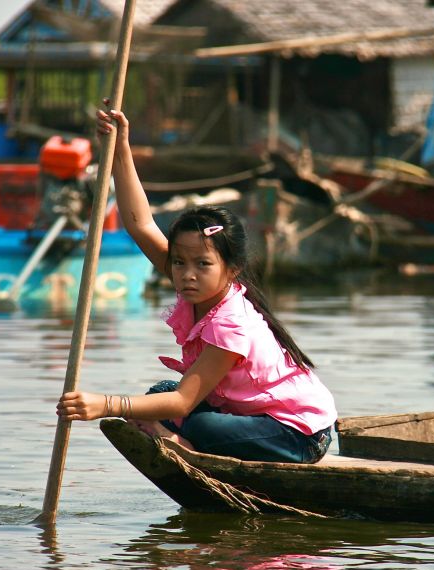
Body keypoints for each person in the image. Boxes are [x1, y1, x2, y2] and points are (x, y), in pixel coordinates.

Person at [55, 102, 337, 463]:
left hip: (298, 435)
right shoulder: (194, 285)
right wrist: (121, 146)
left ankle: (186, 448)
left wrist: (107, 404)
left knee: (191, 419)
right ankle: (180, 440)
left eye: (203, 264)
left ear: (231, 269)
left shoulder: (229, 323)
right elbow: (140, 224)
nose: (187, 274)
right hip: (249, 415)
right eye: (179, 262)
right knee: (160, 392)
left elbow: (186, 401)